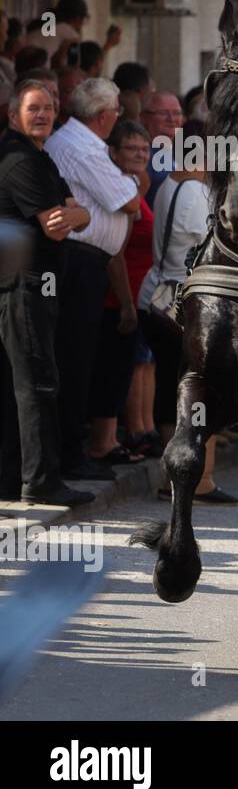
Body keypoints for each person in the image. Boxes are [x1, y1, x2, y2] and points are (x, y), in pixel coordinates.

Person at [0, 81, 93, 506]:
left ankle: (15, 476)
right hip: (23, 287)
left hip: (37, 286)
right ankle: (40, 481)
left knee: (24, 382)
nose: (43, 115)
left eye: (49, 108)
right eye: (34, 108)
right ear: (13, 115)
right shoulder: (18, 159)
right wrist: (74, 213)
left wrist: (74, 213)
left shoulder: (42, 157)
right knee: (36, 382)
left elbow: (80, 213)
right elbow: (56, 223)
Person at [45, 78, 140, 481]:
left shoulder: (86, 143)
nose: (118, 117)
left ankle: (70, 450)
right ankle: (68, 455)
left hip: (88, 263)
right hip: (77, 261)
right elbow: (129, 201)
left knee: (80, 357)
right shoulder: (81, 146)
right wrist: (132, 184)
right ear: (103, 116)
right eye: (117, 111)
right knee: (72, 358)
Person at [137, 148, 233, 504]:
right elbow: (214, 240)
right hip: (182, 302)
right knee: (198, 388)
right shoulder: (194, 193)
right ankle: (197, 479)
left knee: (169, 386)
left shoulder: (166, 187)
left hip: (156, 295)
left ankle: (173, 476)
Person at [85, 119, 151, 467]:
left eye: (144, 148)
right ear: (112, 152)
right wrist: (126, 304)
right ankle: (101, 443)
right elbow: (117, 253)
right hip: (118, 297)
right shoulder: (119, 189)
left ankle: (110, 440)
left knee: (124, 369)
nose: (140, 154)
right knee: (111, 371)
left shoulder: (135, 184)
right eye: (131, 148)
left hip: (135, 295)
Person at [141, 90, 184, 206]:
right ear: (143, 117)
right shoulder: (140, 154)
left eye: (177, 113)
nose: (171, 119)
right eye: (162, 113)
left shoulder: (185, 150)